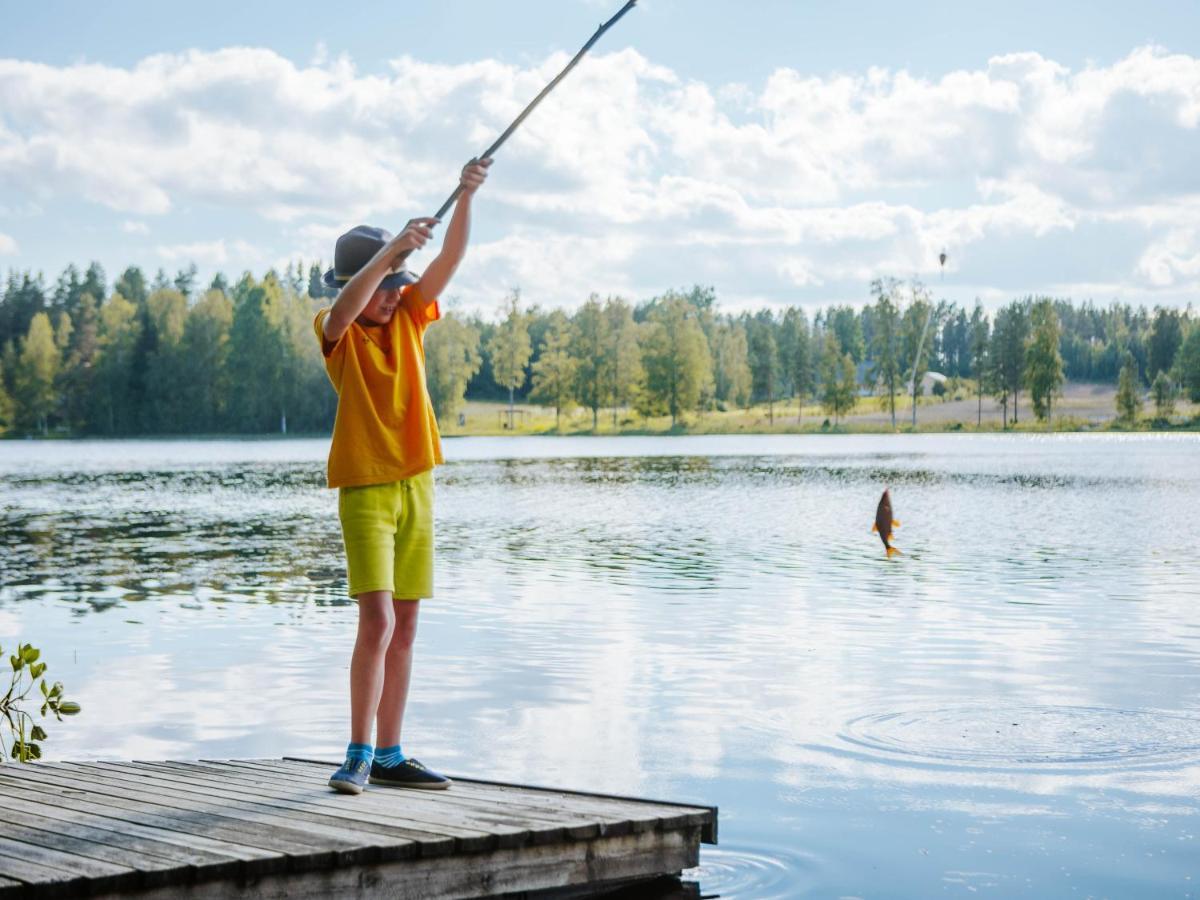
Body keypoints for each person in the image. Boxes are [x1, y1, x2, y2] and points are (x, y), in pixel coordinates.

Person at [315, 157, 492, 794]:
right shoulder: (339, 334)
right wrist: (390, 252)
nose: (393, 295)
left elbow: (449, 261)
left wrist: (466, 196)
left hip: (417, 483)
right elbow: (348, 305)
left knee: (408, 624)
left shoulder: (412, 315)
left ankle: (390, 754)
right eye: (386, 285)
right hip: (365, 488)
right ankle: (358, 751)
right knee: (378, 621)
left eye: (398, 284)